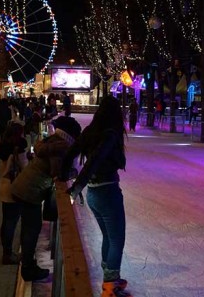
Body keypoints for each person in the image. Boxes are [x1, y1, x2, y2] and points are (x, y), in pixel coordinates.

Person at [61, 96, 130, 297]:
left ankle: (111, 279)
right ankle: (110, 286)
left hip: (93, 194)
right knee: (117, 239)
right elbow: (95, 161)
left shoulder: (92, 131)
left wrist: (64, 172)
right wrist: (76, 186)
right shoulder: (110, 134)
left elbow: (72, 151)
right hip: (107, 192)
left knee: (109, 237)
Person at [11, 116, 81, 282]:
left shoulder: (51, 140)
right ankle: (28, 268)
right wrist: (75, 173)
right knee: (31, 229)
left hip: (25, 186)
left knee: (29, 228)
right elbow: (57, 173)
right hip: (30, 191)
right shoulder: (61, 147)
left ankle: (28, 263)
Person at [0, 122, 28, 265]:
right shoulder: (18, 149)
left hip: (4, 185)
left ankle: (6, 252)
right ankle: (8, 254)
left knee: (6, 221)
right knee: (11, 222)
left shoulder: (3, 147)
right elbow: (25, 167)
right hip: (15, 187)